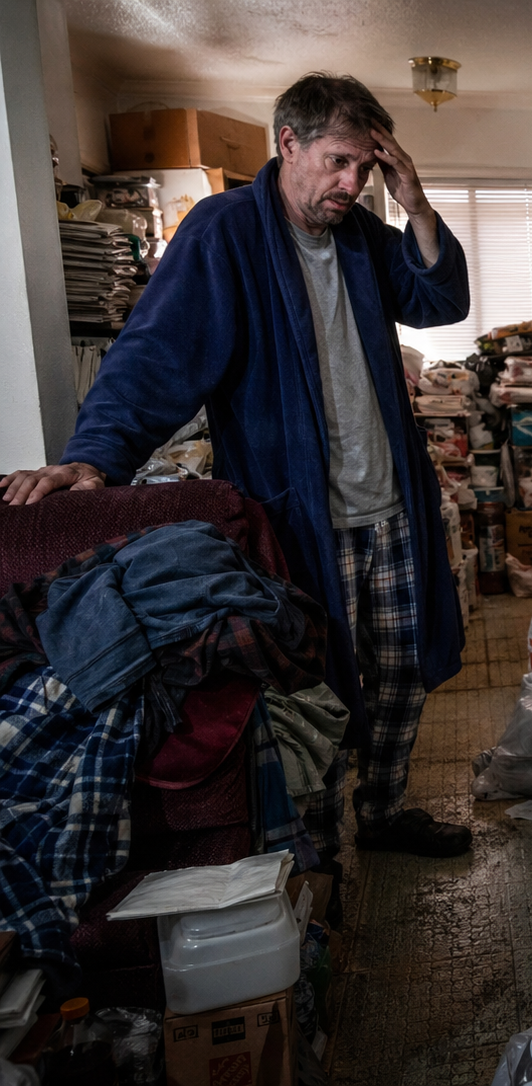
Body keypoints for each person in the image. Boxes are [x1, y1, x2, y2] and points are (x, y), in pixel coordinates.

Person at [1, 73, 474, 876]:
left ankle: (384, 810)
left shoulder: (362, 234)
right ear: (287, 143)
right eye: (337, 161)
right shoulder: (225, 232)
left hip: (391, 506)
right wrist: (93, 456)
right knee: (314, 681)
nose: (352, 181)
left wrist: (417, 205)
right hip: (302, 515)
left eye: (365, 166)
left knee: (401, 673)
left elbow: (440, 301)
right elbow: (156, 354)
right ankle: (318, 846)